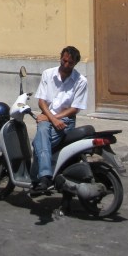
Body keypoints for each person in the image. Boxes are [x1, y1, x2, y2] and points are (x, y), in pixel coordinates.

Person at [30, 45, 87, 193]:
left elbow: (75, 108)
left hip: (65, 121)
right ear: (60, 58)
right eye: (64, 61)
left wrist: (53, 119)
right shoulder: (48, 74)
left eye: (70, 63)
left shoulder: (81, 81)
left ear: (75, 63)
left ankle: (38, 179)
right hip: (47, 118)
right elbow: (41, 101)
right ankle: (44, 178)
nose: (66, 65)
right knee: (42, 138)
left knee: (39, 143)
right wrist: (51, 119)